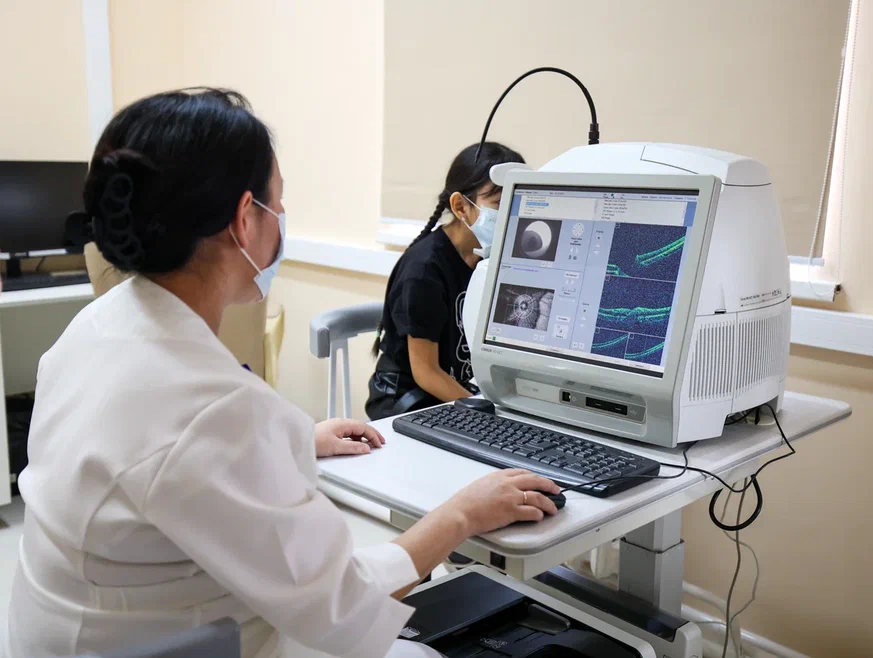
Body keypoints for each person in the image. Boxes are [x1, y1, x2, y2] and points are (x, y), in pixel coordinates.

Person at [6, 89, 560, 658]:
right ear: (245, 219)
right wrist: (463, 513)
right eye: (279, 201)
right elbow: (343, 609)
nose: (283, 217)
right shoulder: (216, 408)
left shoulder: (97, 325)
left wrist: (296, 438)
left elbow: (167, 459)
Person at [366, 142, 525, 420]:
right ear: (461, 206)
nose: (511, 215)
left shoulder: (492, 259)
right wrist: (487, 412)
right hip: (409, 402)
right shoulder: (424, 270)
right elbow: (426, 372)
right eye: (500, 204)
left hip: (455, 393)